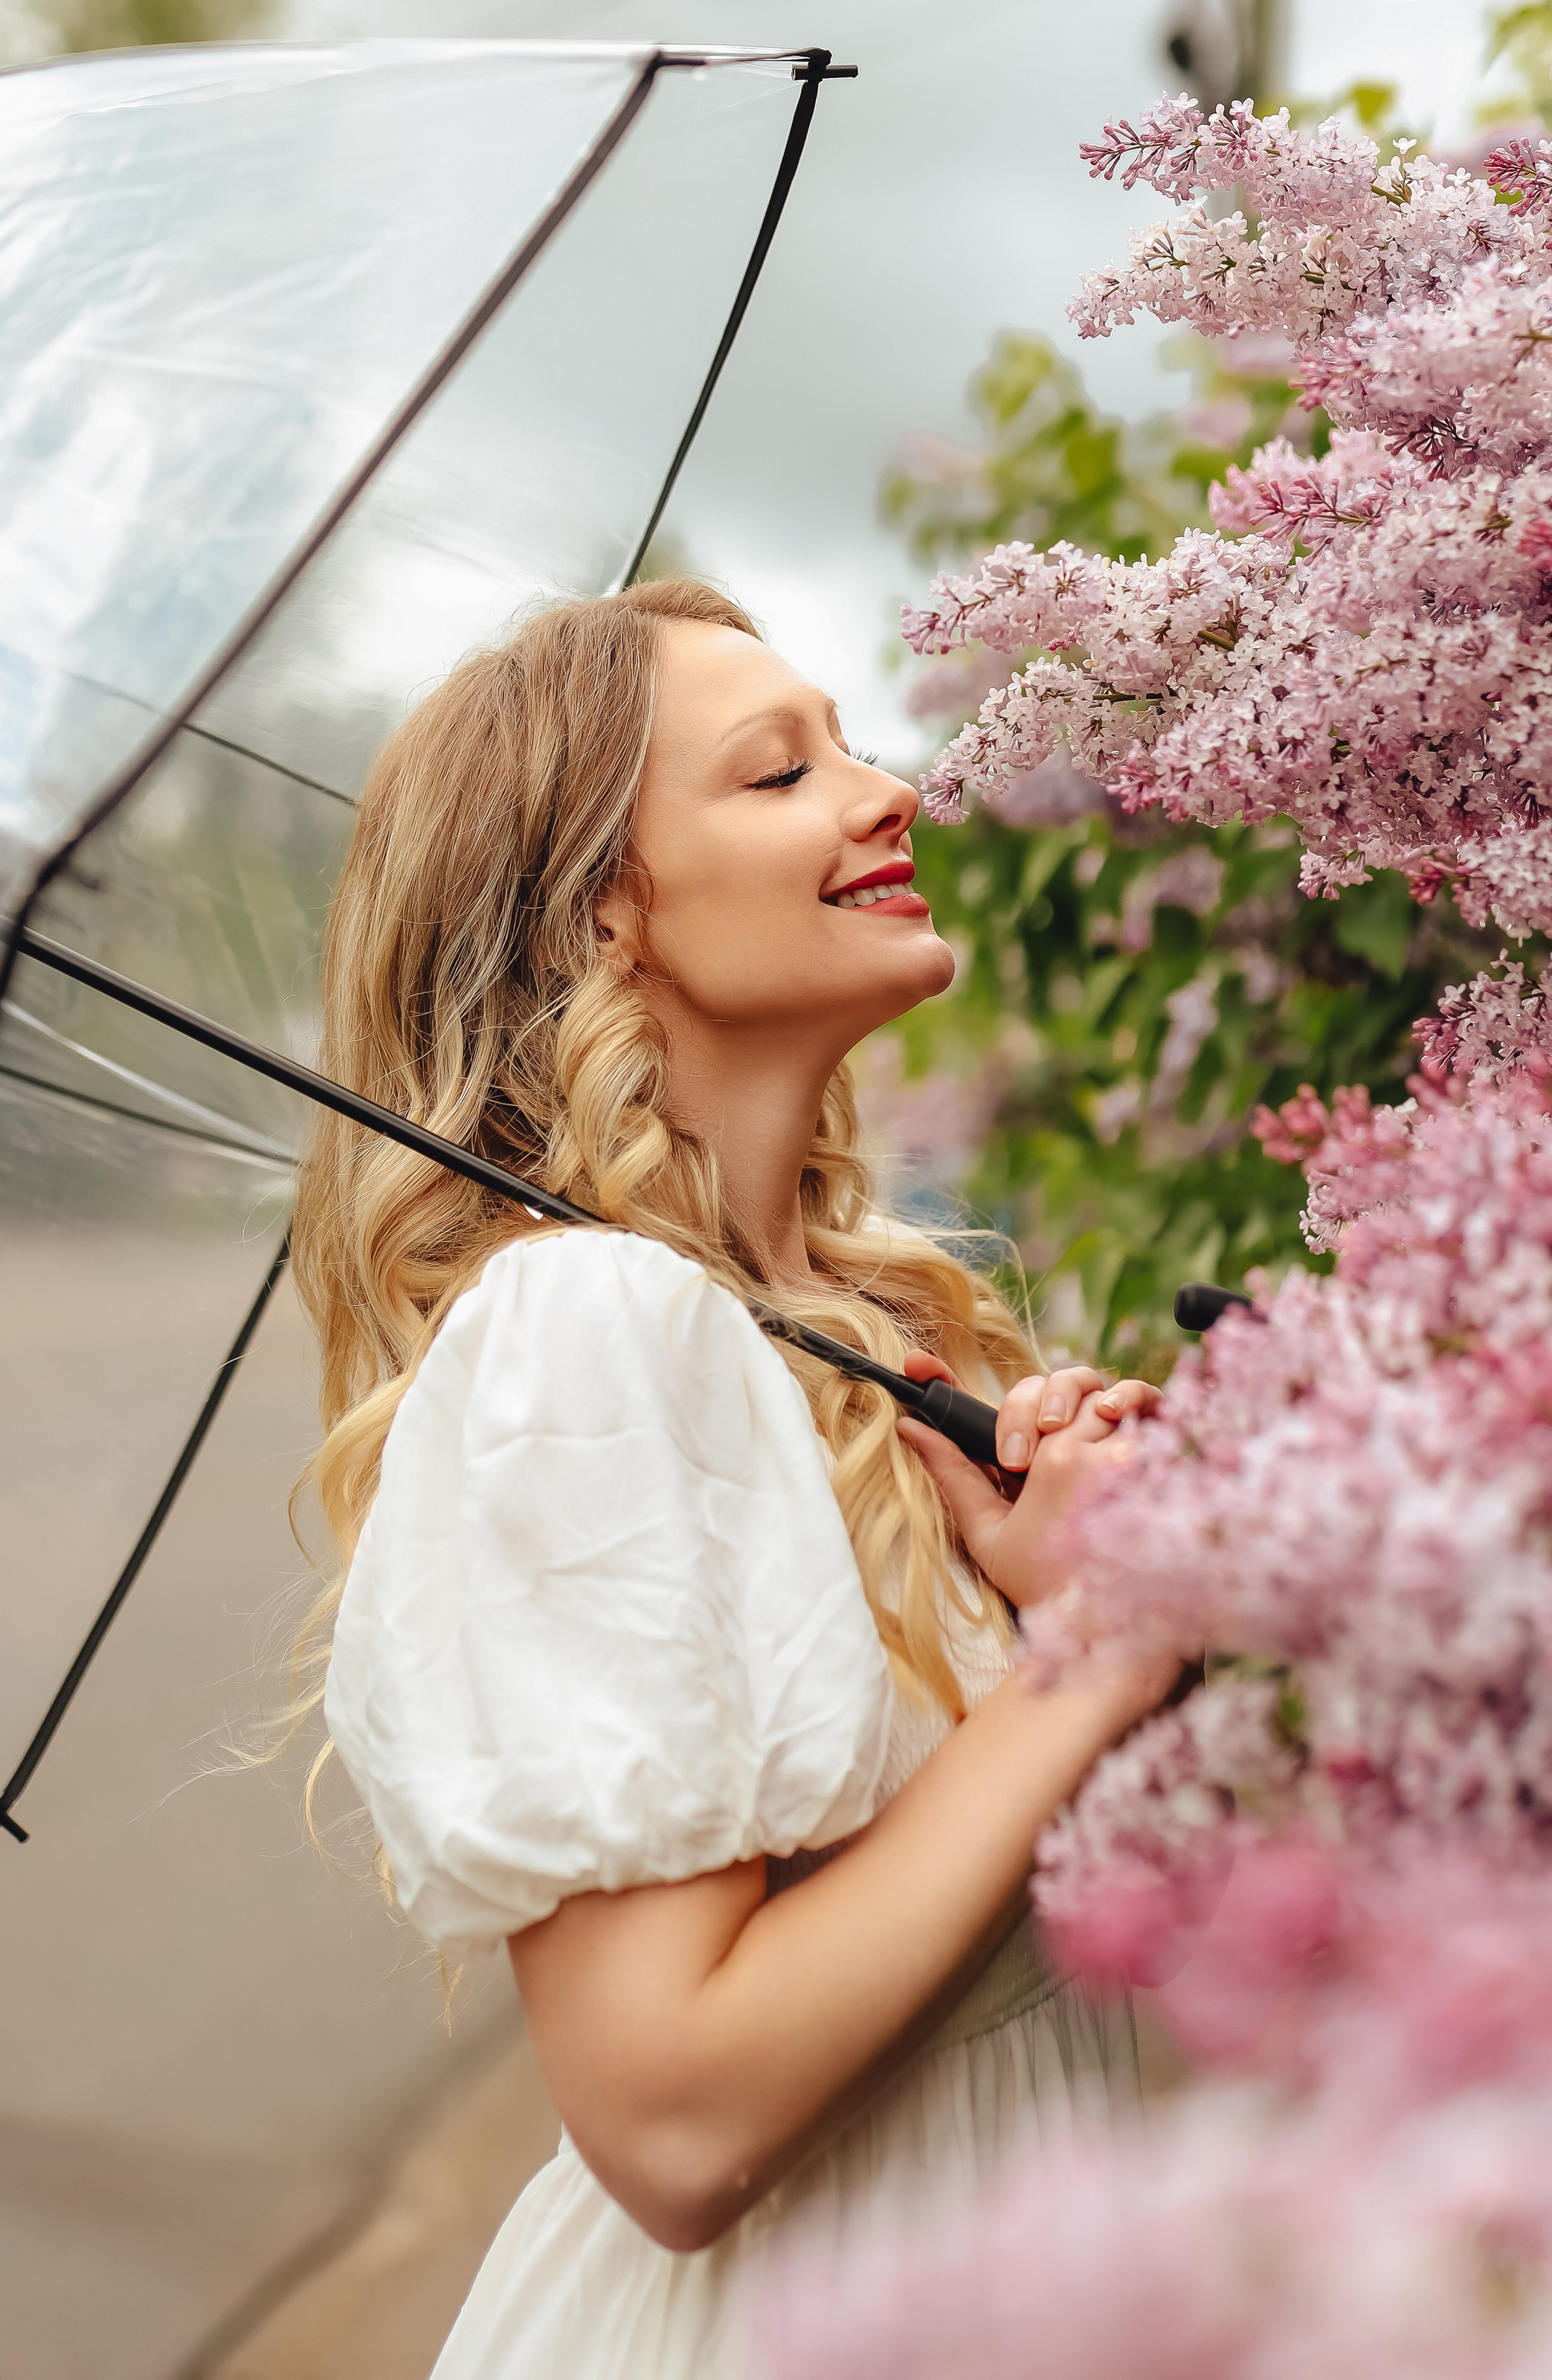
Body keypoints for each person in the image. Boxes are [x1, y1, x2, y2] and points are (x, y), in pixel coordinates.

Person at [295, 579, 1180, 2377]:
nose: (886, 794)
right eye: (781, 774)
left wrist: (1039, 1592)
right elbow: (673, 2119)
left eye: (854, 743)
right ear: (606, 914)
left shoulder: (854, 1330)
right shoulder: (588, 1327)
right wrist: (1096, 1644)